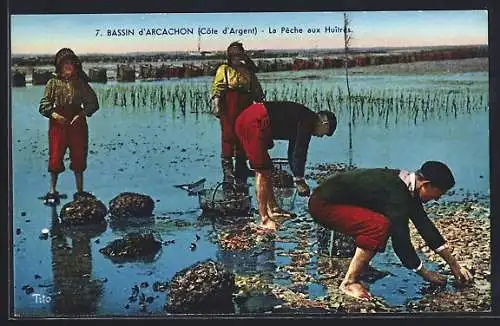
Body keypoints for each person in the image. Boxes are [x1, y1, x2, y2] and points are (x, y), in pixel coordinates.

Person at [308, 161, 473, 299]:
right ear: (426, 184)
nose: (437, 199)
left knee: (379, 222)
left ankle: (360, 267)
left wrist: (454, 265)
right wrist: (426, 274)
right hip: (323, 205)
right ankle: (349, 282)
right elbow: (401, 242)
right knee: (379, 226)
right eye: (439, 193)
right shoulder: (397, 192)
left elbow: (425, 226)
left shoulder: (406, 186)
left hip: (338, 201)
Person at [235, 101, 337, 230]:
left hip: (251, 119)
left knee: (267, 168)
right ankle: (264, 219)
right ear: (324, 123)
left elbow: (293, 152)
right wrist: (299, 180)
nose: (321, 136)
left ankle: (273, 208)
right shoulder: (308, 120)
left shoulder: (302, 119)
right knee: (262, 170)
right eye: (325, 133)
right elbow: (301, 151)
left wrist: (297, 177)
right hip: (254, 121)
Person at [39, 48, 99, 205]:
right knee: (55, 155)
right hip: (58, 124)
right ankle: (52, 190)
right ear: (59, 65)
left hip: (77, 124)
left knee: (79, 155)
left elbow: (93, 103)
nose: (68, 66)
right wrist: (55, 116)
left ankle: (79, 191)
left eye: (71, 63)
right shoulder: (53, 83)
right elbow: (44, 105)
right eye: (65, 63)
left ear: (75, 65)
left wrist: (82, 114)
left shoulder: (80, 83)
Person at [210, 41, 264, 188]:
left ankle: (241, 167)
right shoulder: (224, 69)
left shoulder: (247, 70)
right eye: (233, 55)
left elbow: (255, 87)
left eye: (239, 54)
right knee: (229, 135)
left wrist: (260, 101)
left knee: (244, 134)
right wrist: (215, 103)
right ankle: (228, 170)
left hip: (245, 104)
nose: (236, 57)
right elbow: (218, 87)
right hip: (229, 104)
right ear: (229, 56)